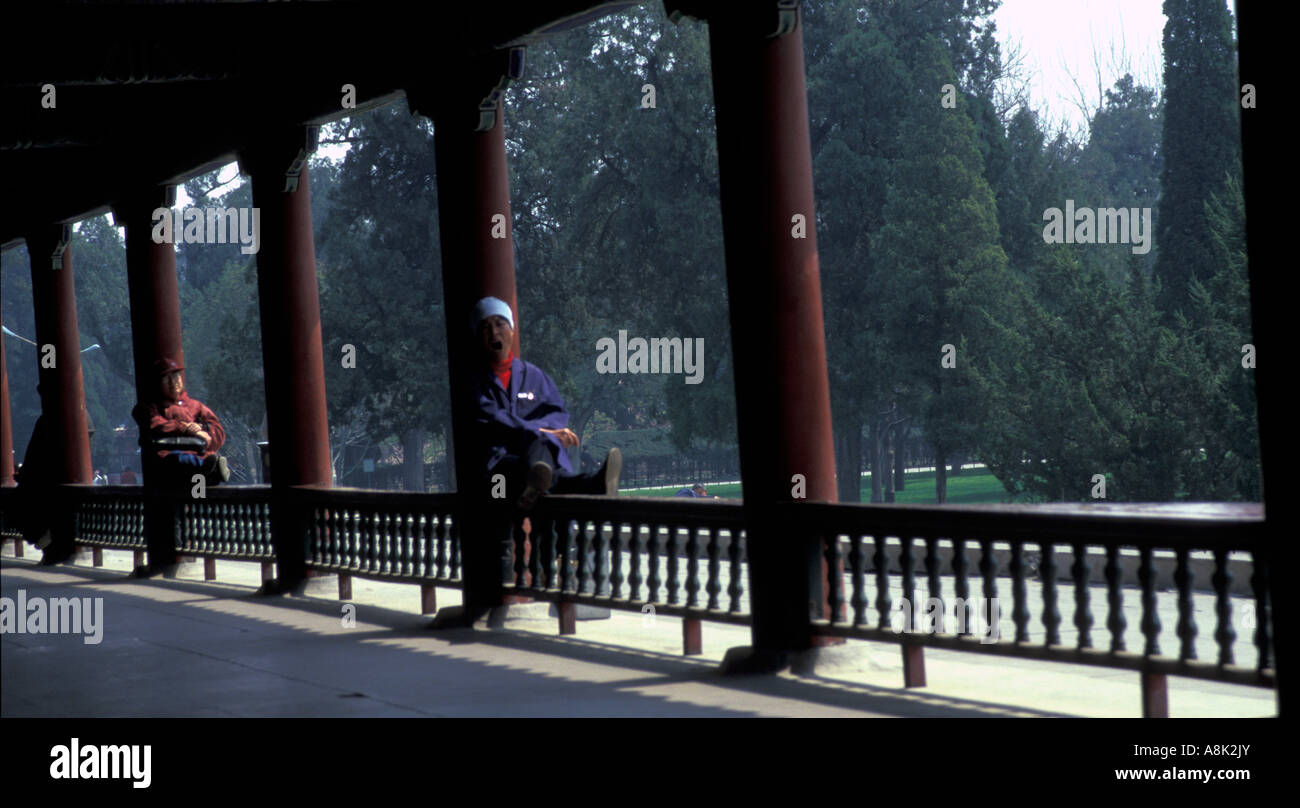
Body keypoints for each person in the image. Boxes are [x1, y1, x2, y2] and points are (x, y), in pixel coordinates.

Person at [468, 296, 621, 583]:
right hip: (499, 473)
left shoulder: (534, 376)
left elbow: (557, 414)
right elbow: (491, 420)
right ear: (478, 336)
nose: (494, 333)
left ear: (512, 331)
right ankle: (590, 485)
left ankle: (539, 486)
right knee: (538, 455)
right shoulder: (474, 381)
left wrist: (544, 432)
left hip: (540, 462)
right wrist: (541, 432)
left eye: (500, 324)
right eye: (486, 328)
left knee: (541, 458)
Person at [135, 358, 229, 486]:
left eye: (176, 377)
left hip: (200, 460)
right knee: (180, 462)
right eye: (166, 379)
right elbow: (155, 424)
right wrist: (185, 428)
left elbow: (218, 430)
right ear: (157, 383)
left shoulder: (196, 405)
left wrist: (203, 430)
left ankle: (208, 471)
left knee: (198, 493)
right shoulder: (150, 407)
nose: (173, 383)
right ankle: (211, 468)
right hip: (171, 465)